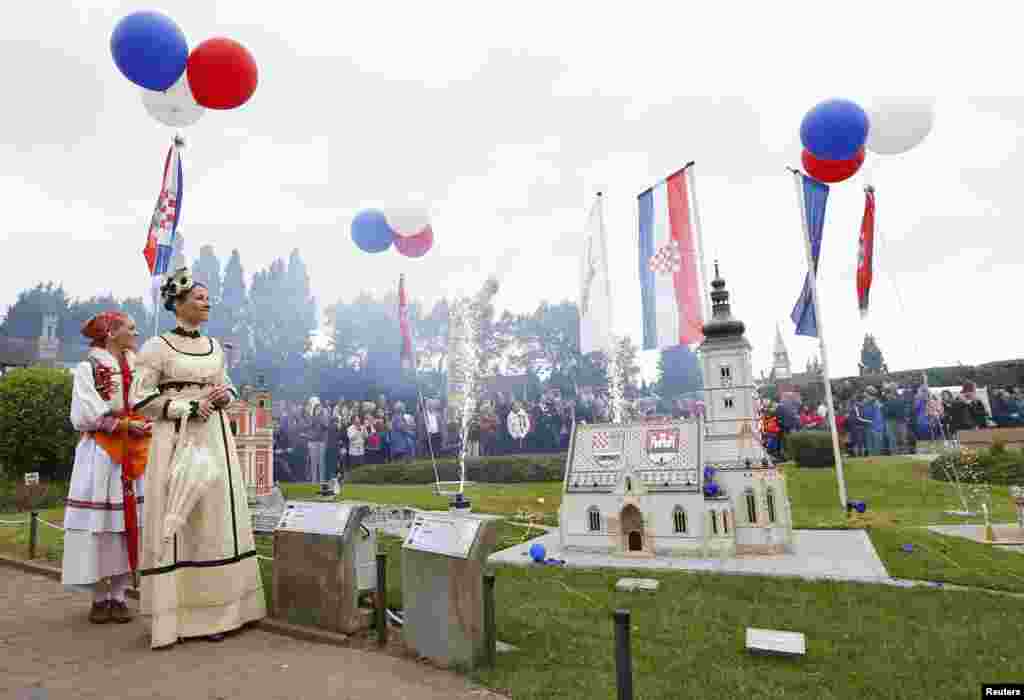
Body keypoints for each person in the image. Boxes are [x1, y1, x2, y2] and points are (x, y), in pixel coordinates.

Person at [129, 267, 266, 648]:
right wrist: (186, 407)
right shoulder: (156, 347)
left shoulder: (215, 346)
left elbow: (226, 384)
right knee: (180, 513)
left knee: (215, 515)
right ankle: (179, 616)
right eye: (200, 298)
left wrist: (226, 395)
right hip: (176, 438)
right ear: (178, 302)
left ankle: (224, 610)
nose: (207, 304)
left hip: (215, 437)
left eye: (207, 299)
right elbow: (139, 398)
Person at [62, 311, 150, 624]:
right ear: (111, 332)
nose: (136, 333)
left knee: (130, 523)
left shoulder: (137, 365)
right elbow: (85, 413)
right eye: (131, 328)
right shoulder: (88, 368)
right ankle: (99, 598)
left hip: (135, 450)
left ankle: (120, 594)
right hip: (101, 452)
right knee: (99, 524)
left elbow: (149, 399)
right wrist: (122, 424)